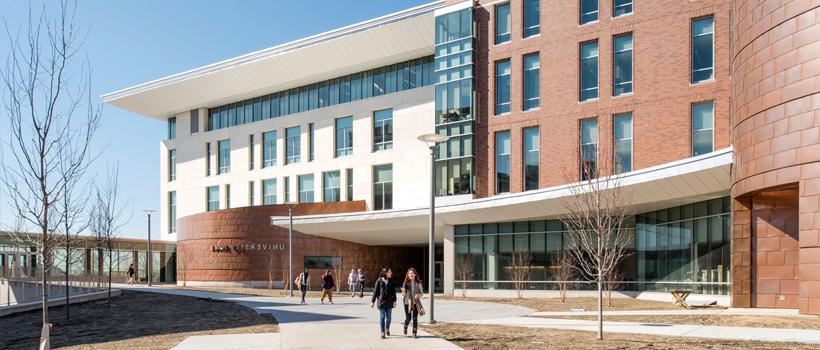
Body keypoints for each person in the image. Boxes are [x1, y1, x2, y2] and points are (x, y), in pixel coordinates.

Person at [371, 267, 396, 339]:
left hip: (389, 302)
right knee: (382, 317)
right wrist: (372, 301)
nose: (391, 273)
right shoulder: (379, 281)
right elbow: (375, 291)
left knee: (389, 318)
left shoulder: (391, 281)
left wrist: (394, 301)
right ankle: (382, 332)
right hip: (381, 302)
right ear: (385, 273)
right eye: (390, 272)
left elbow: (393, 292)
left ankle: (387, 328)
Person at [401, 267, 424, 338]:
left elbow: (422, 293)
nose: (411, 274)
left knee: (415, 318)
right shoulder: (405, 283)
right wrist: (403, 292)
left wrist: (419, 295)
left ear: (415, 274)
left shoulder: (418, 283)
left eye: (412, 273)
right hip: (407, 303)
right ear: (407, 275)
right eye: (410, 273)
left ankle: (414, 333)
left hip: (416, 303)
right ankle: (405, 326)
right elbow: (403, 294)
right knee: (408, 318)